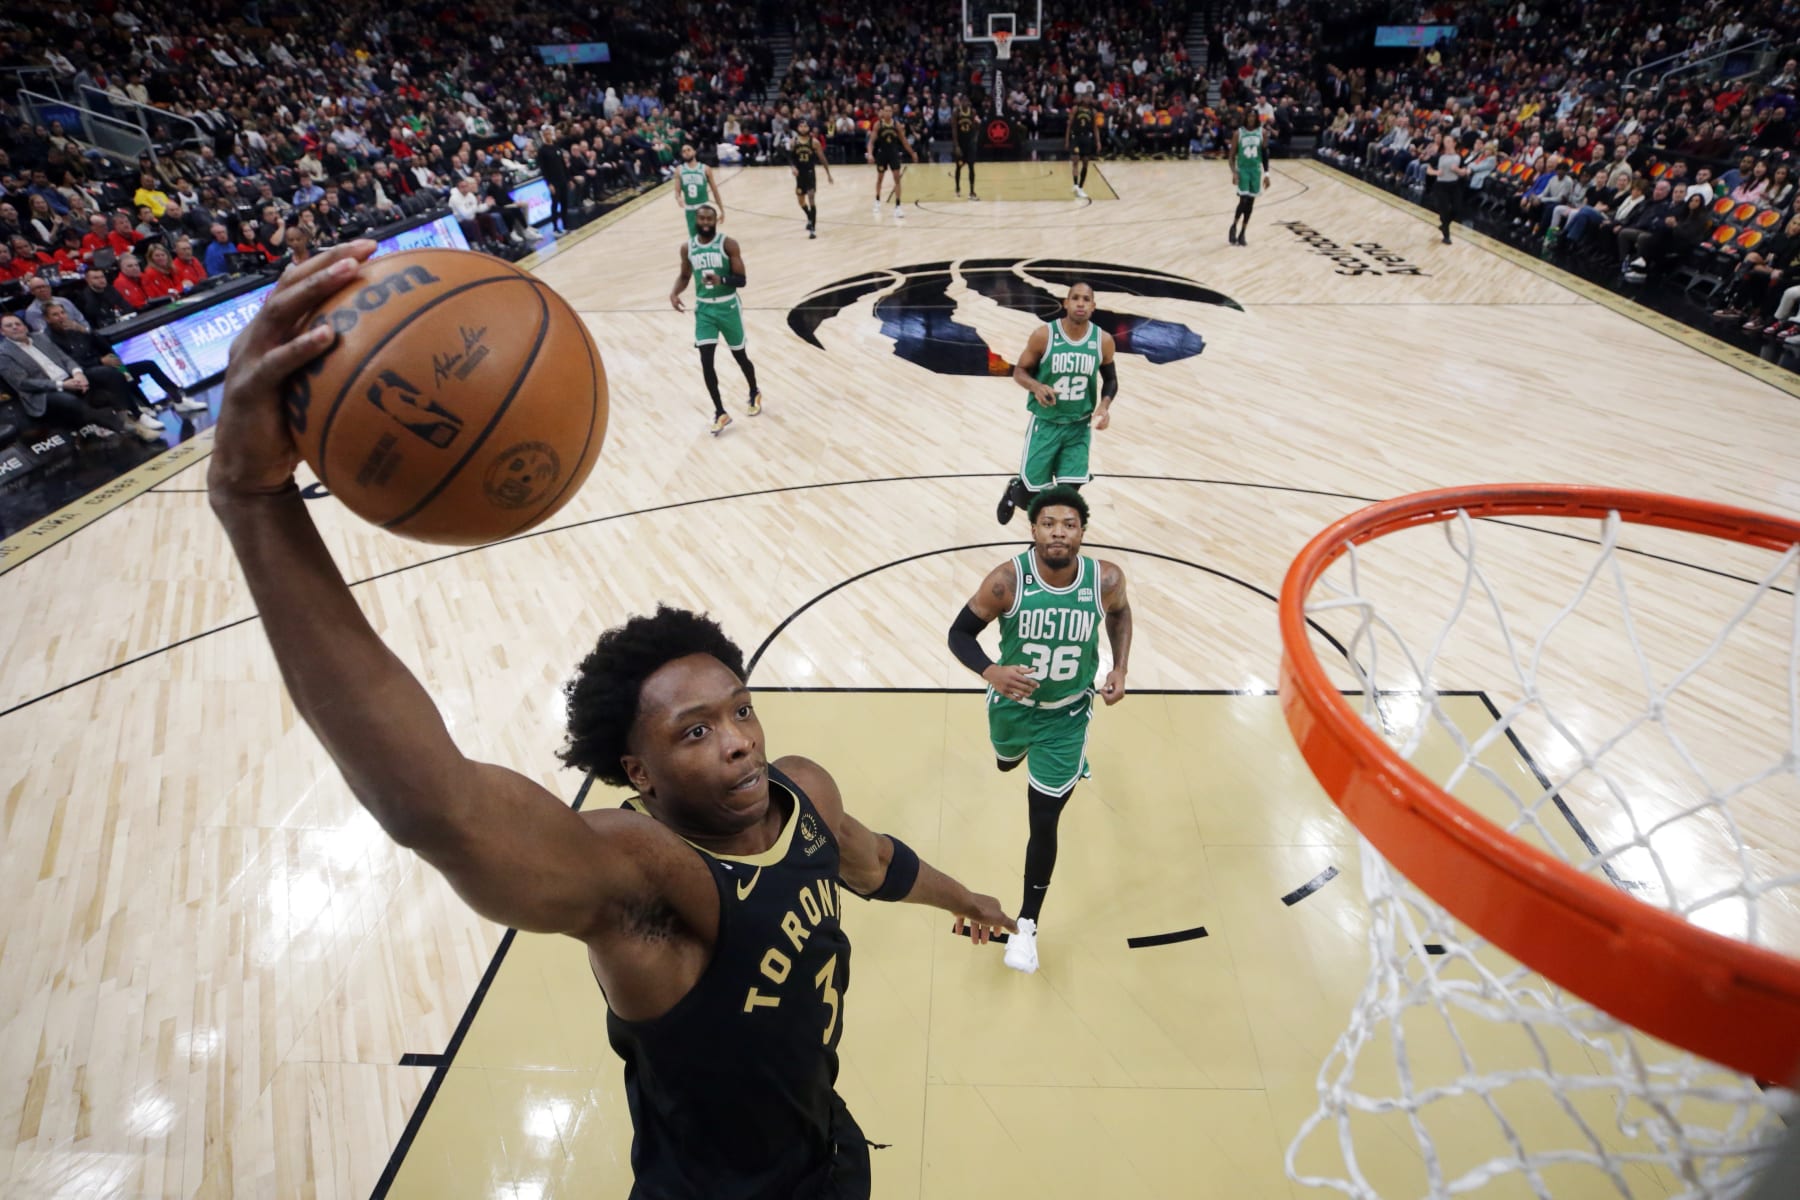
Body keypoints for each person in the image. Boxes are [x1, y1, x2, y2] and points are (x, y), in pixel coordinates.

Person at [206, 239, 1013, 1198]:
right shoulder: (647, 883)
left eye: (737, 710)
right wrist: (253, 501)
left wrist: (965, 902)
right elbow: (442, 810)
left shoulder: (801, 794)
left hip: (830, 1157)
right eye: (693, 733)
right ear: (638, 773)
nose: (739, 741)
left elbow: (871, 858)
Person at [947, 485, 1132, 972]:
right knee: (1006, 761)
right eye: (1049, 523)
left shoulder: (1106, 579)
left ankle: (1027, 925)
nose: (1058, 533)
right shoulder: (1007, 581)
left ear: (1082, 533)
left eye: (1069, 525)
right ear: (1032, 529)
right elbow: (959, 634)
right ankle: (1014, 753)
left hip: (1067, 717)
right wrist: (991, 671)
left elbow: (1120, 614)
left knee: (1043, 819)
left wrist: (1120, 668)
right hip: (1011, 709)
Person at [994, 283, 1118, 525]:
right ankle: (1012, 491)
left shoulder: (1103, 341)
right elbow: (1019, 371)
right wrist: (1036, 387)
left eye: (1086, 299)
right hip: (1046, 424)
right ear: (1066, 303)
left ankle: (1046, 546)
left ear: (1093, 306)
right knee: (1029, 496)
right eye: (1075, 298)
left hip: (1078, 428)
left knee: (1067, 497)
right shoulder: (1044, 335)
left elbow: (1111, 379)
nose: (1080, 303)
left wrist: (1104, 406)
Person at [670, 204, 763, 436]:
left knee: (739, 355)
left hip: (728, 306)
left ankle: (754, 390)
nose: (705, 223)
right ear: (696, 220)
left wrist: (721, 279)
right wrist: (675, 293)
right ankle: (720, 411)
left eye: (709, 219)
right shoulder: (687, 248)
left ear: (715, 222)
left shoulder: (728, 244)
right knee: (706, 360)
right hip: (704, 311)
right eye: (701, 219)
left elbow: (742, 280)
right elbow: (684, 275)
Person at [0, 313, 162, 441]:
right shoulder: (4, 353)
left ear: (25, 326)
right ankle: (132, 429)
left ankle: (137, 415)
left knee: (109, 373)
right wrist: (62, 385)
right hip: (43, 394)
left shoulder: (40, 337)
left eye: (18, 324)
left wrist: (78, 373)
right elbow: (23, 383)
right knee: (69, 401)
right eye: (9, 326)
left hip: (71, 378)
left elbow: (65, 358)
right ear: (2, 331)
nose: (15, 327)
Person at [43, 303, 204, 414]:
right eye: (55, 315)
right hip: (89, 375)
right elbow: (71, 363)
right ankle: (138, 412)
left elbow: (103, 344)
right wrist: (100, 361)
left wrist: (85, 330)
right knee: (116, 373)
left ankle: (178, 400)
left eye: (62, 313)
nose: (61, 317)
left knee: (148, 365)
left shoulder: (75, 329)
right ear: (47, 319)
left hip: (107, 365)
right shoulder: (51, 339)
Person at [866, 106, 918, 218]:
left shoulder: (896, 125)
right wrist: (870, 154)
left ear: (892, 113)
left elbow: (904, 141)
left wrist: (912, 153)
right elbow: (871, 142)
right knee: (880, 178)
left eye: (890, 111)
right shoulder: (878, 125)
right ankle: (877, 201)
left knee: (897, 178)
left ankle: (898, 206)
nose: (888, 113)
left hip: (893, 154)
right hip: (882, 154)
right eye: (886, 111)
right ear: (882, 112)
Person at [1228, 109, 1268, 245]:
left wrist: (1267, 174)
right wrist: (1234, 172)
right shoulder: (1238, 133)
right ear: (1245, 118)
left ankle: (1243, 232)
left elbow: (1265, 155)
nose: (1251, 119)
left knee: (1250, 203)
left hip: (1256, 171)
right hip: (1243, 170)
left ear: (1256, 118)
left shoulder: (1262, 133)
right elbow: (1231, 156)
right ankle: (1234, 225)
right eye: (1249, 116)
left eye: (1253, 116)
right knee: (1243, 200)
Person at [789, 119, 832, 239]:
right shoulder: (793, 142)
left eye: (805, 126)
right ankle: (809, 216)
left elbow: (822, 158)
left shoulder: (814, 142)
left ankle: (812, 228)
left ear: (809, 128)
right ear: (798, 128)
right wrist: (793, 167)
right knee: (801, 201)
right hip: (799, 176)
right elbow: (791, 158)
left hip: (810, 174)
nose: (803, 128)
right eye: (801, 126)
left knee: (811, 198)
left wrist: (828, 174)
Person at [675, 144, 726, 237]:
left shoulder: (705, 169)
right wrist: (678, 198)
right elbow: (677, 192)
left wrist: (722, 210)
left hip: (704, 207)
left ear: (694, 152)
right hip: (690, 209)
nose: (686, 152)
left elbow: (715, 191)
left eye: (688, 150)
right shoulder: (679, 170)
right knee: (694, 238)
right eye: (683, 151)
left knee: (708, 235)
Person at [1426, 135, 1468, 245]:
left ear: (1454, 143)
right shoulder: (1439, 157)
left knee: (1457, 209)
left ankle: (1445, 224)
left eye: (1449, 141)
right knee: (1444, 210)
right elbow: (1428, 170)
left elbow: (1465, 172)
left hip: (1454, 185)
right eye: (1445, 142)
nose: (1447, 144)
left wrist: (1457, 170)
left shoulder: (1459, 157)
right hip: (1441, 186)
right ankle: (1446, 236)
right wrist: (1436, 173)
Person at [20, 275, 86, 333]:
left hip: (80, 333)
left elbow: (81, 320)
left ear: (50, 288)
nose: (42, 289)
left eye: (44, 286)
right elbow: (44, 334)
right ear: (32, 292)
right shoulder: (32, 312)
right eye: (38, 288)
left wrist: (83, 329)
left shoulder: (64, 301)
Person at [1066, 95, 1103, 199]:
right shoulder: (1075, 109)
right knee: (1075, 159)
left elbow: (1095, 128)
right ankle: (1075, 184)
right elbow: (1069, 125)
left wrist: (1098, 142)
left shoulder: (1093, 111)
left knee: (1086, 162)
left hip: (1087, 138)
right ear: (1082, 99)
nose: (1087, 99)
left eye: (1089, 98)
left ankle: (1081, 187)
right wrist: (1067, 140)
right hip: (1076, 137)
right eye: (1085, 97)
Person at [952, 95, 981, 200]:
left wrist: (976, 134)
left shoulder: (972, 112)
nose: (965, 103)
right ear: (960, 102)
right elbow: (954, 129)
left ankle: (972, 191)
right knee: (959, 167)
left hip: (969, 144)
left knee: (971, 167)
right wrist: (956, 146)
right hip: (960, 144)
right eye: (963, 101)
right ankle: (957, 188)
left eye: (967, 101)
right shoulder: (956, 112)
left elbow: (975, 127)